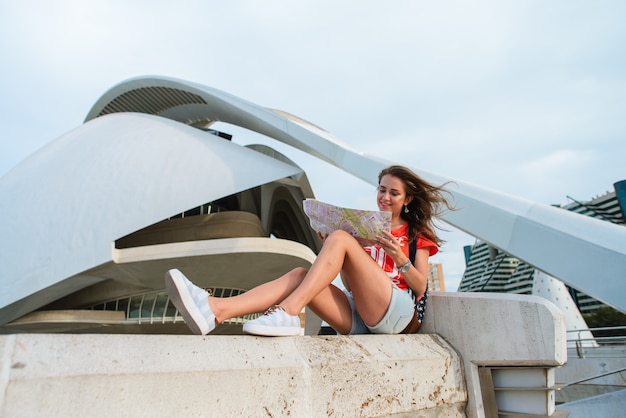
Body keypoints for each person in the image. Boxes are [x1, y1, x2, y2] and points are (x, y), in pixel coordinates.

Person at [164, 165, 453, 337]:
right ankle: (215, 310)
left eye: (393, 193)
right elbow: (351, 287)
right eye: (381, 190)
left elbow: (420, 286)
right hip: (363, 318)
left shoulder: (416, 235)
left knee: (340, 238)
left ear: (408, 199)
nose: (384, 197)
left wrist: (399, 257)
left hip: (399, 316)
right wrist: (341, 251)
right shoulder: (367, 231)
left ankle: (288, 311)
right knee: (302, 273)